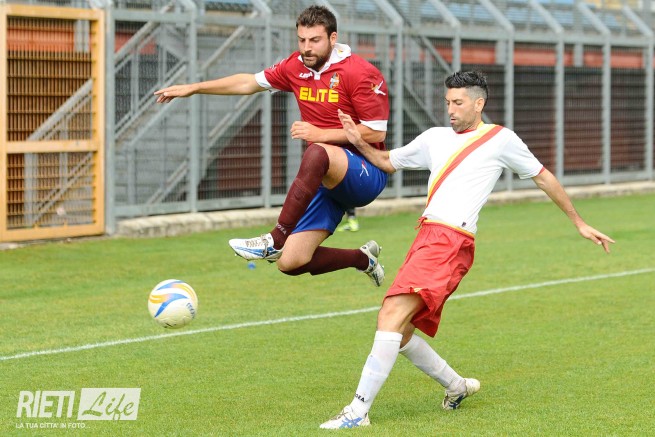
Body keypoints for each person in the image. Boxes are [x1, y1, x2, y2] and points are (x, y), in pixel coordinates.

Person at [319, 70, 615, 429]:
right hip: (426, 236)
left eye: (458, 102)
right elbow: (387, 162)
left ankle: (357, 411)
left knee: (391, 316)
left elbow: (543, 176)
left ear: (479, 104)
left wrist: (579, 222)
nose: (450, 109)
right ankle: (456, 386)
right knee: (402, 331)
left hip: (451, 241)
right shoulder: (433, 138)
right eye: (447, 102)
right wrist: (358, 141)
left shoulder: (501, 139)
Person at [154, 5, 389, 286]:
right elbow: (247, 83)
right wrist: (194, 88)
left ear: (333, 38)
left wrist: (321, 133)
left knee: (317, 151)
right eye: (302, 40)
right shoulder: (295, 66)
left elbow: (375, 132)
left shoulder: (360, 72)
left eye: (315, 40)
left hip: (366, 174)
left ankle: (275, 239)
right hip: (325, 177)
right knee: (291, 262)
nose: (307, 47)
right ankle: (363, 259)